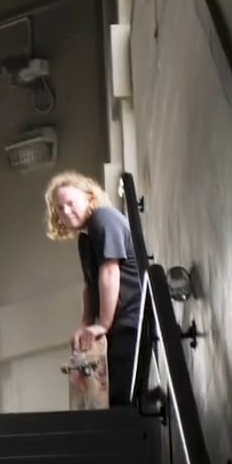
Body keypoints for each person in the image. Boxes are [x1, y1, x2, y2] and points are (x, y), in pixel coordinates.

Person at [46, 171, 144, 405]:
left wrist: (103, 324)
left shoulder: (104, 218)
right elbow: (90, 287)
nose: (66, 211)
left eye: (71, 203)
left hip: (130, 320)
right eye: (60, 208)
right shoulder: (85, 239)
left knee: (124, 399)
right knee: (111, 399)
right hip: (116, 327)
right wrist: (85, 327)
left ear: (89, 197)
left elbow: (110, 272)